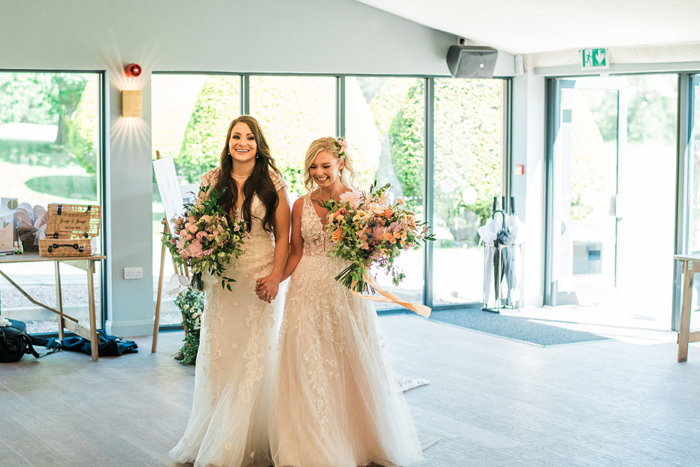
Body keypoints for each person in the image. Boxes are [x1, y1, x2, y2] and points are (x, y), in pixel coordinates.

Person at [266, 137, 423, 467]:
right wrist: (274, 283)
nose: (319, 172)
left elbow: (370, 248)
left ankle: (357, 439)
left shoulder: (360, 202)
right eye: (313, 166)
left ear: (340, 164)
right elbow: (296, 251)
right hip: (306, 288)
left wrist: (372, 253)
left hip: (344, 289)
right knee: (307, 361)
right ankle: (314, 441)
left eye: (325, 166)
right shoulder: (300, 205)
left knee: (348, 359)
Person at [170, 115, 290, 467]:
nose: (242, 143)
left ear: (258, 144)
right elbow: (199, 225)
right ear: (228, 143)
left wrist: (275, 277)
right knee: (222, 354)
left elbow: (282, 236)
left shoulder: (272, 182)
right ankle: (217, 432)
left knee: (255, 356)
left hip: (259, 277)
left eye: (249, 137)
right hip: (222, 281)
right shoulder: (212, 180)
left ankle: (249, 437)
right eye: (236, 137)